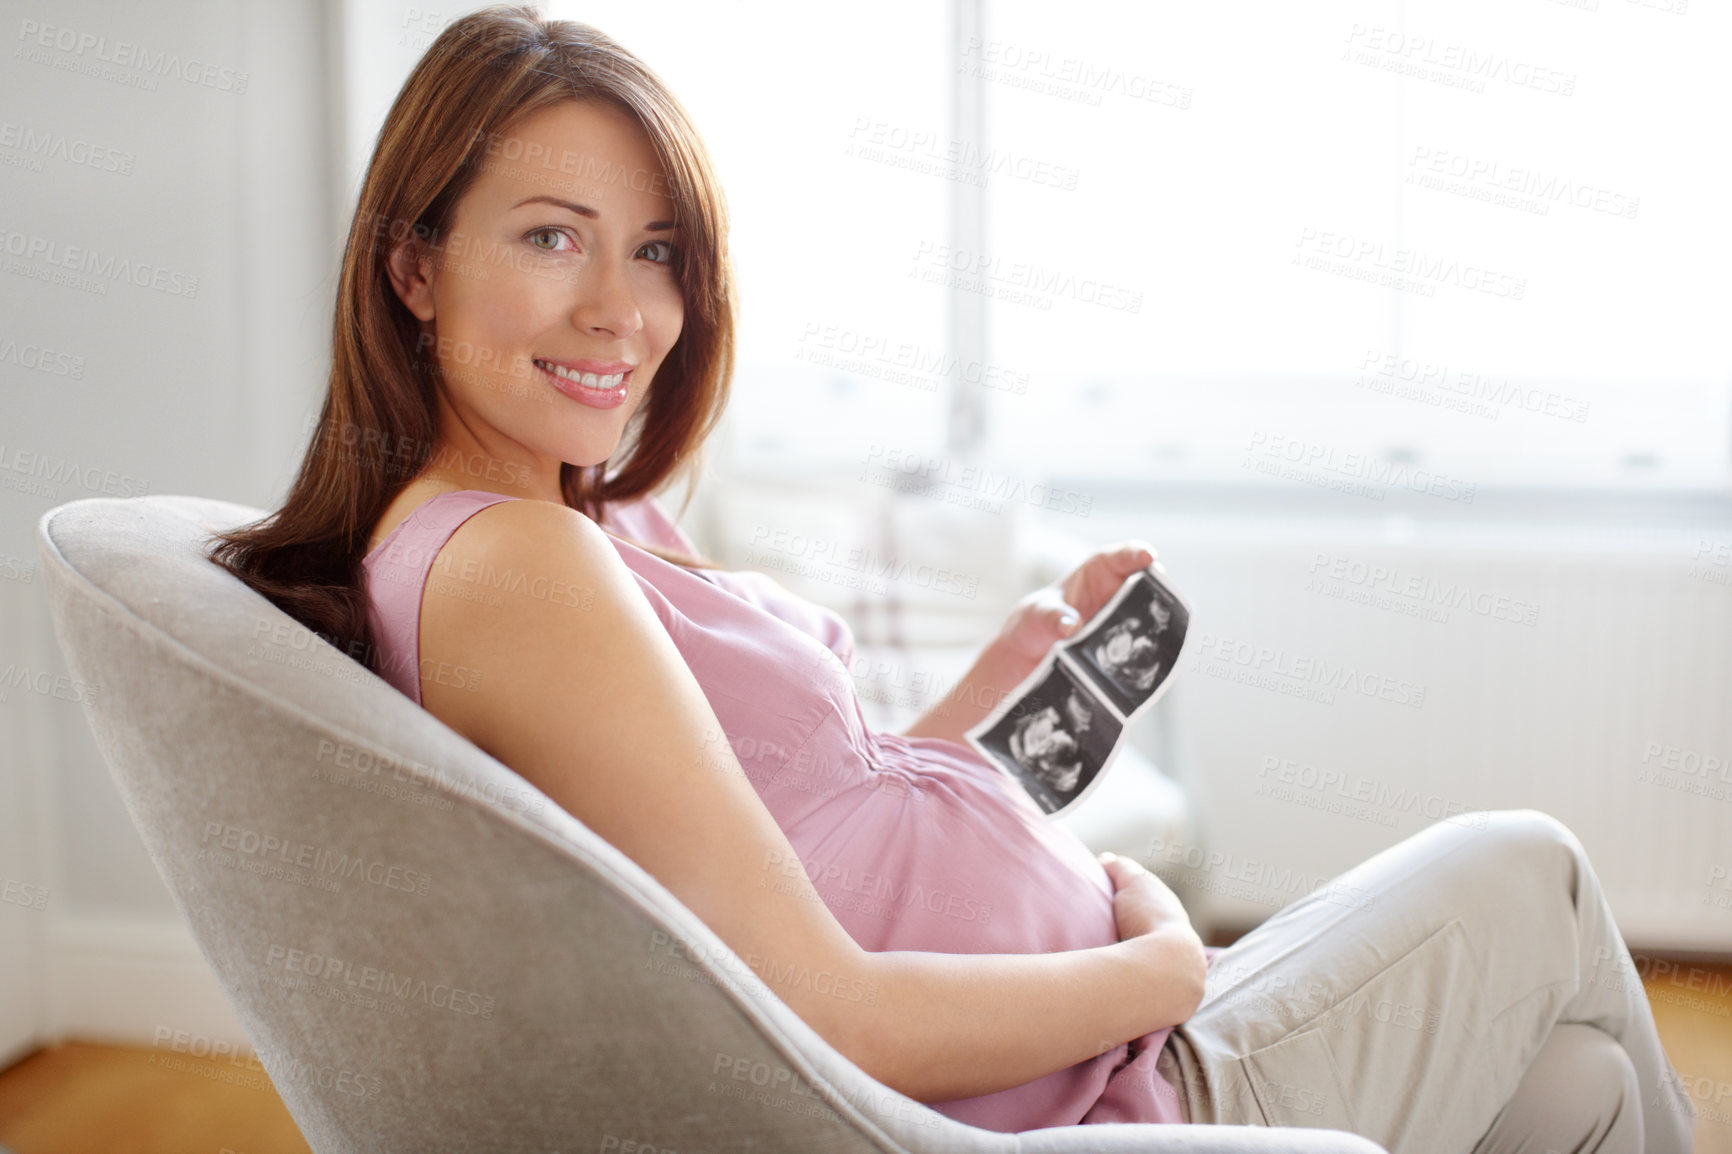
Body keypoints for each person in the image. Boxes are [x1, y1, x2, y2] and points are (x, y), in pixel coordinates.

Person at [206, 7, 1697, 1152]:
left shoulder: (563, 519)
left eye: (656, 250)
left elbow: (806, 826)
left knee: (1573, 1089)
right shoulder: (513, 560)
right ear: (413, 265)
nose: (624, 309)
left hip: (1070, 1037)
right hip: (1055, 1084)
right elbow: (824, 1001)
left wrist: (996, 680)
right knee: (1536, 866)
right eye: (551, 238)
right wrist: (1165, 966)